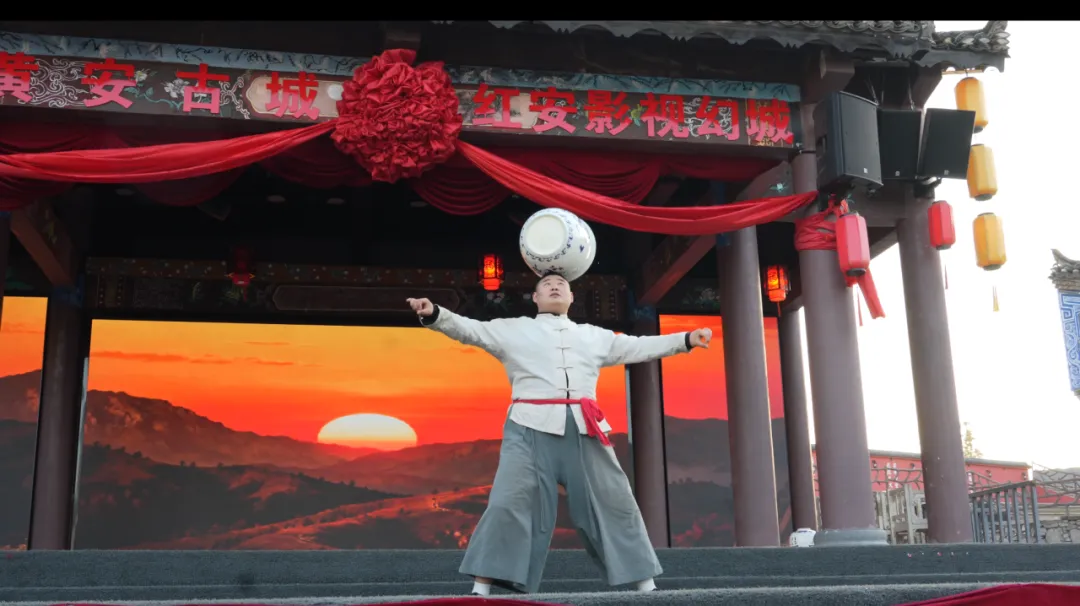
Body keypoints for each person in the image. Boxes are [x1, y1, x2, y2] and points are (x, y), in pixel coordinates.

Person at [405, 272, 711, 596]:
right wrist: (435, 314)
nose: (554, 286)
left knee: (614, 499)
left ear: (571, 298)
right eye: (547, 285)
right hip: (528, 428)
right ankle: (482, 587)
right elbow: (470, 330)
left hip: (585, 429)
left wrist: (686, 339)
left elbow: (638, 346)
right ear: (535, 298)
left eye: (561, 285)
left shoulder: (594, 336)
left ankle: (645, 585)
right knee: (508, 501)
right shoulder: (513, 330)